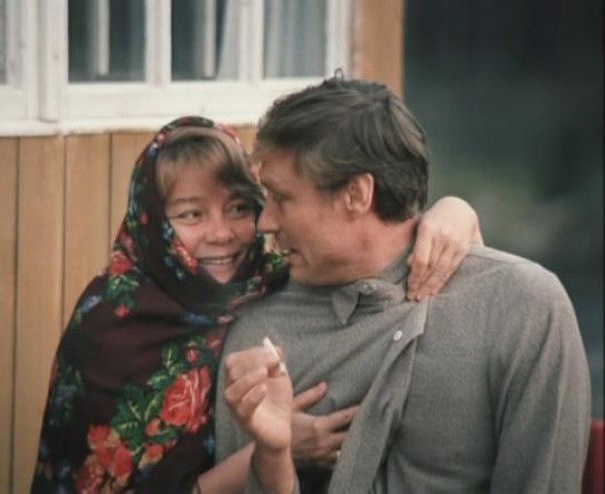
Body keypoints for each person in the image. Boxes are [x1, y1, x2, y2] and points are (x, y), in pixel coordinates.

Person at [30, 116, 480, 493]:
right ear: (151, 225)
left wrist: (456, 211)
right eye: (191, 214)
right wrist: (274, 450)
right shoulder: (110, 324)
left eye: (239, 208)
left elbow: (376, 250)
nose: (222, 233)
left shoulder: (274, 277)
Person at [220, 76, 592, 494]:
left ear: (356, 194)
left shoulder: (522, 308)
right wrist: (272, 457)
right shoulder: (258, 343)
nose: (265, 223)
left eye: (282, 199)